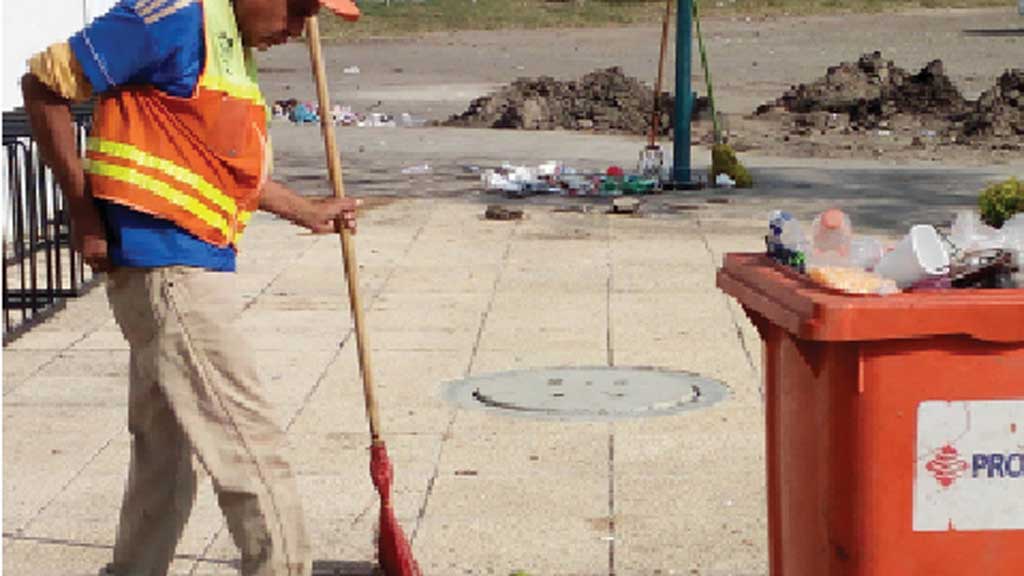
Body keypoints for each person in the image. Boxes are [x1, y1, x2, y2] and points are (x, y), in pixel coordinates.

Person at [21, 0, 362, 574]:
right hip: (170, 271)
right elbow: (43, 84)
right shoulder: (175, 16)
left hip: (184, 264)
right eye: (296, 10)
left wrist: (304, 210)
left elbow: (213, 160)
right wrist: (81, 211)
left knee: (165, 453)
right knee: (250, 445)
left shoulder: (231, 46)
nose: (299, 30)